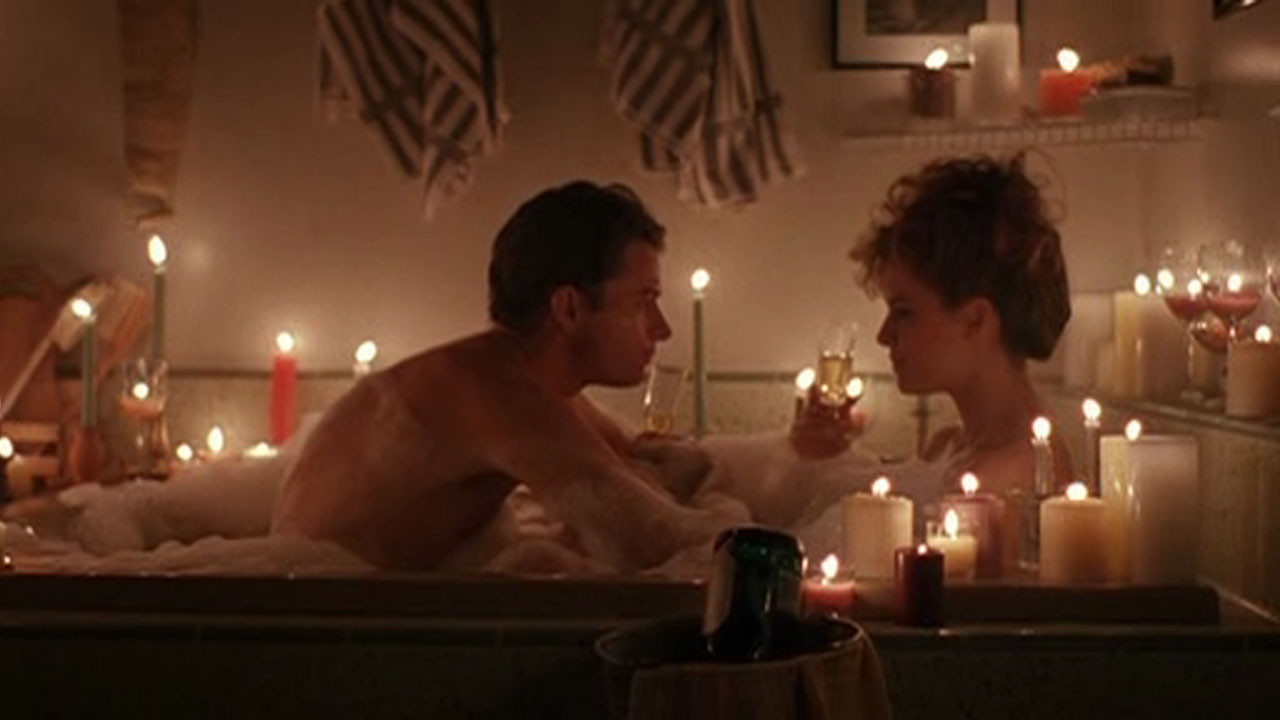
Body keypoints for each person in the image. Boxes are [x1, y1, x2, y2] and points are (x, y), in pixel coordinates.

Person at [271, 181, 736, 571]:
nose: (662, 328)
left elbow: (643, 463)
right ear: (569, 308)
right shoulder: (500, 392)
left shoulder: (522, 380)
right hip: (305, 610)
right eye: (643, 301)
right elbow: (650, 539)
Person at [847, 152, 1074, 496]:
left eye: (904, 312)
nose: (884, 336)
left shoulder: (1011, 474)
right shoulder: (948, 447)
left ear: (975, 321)